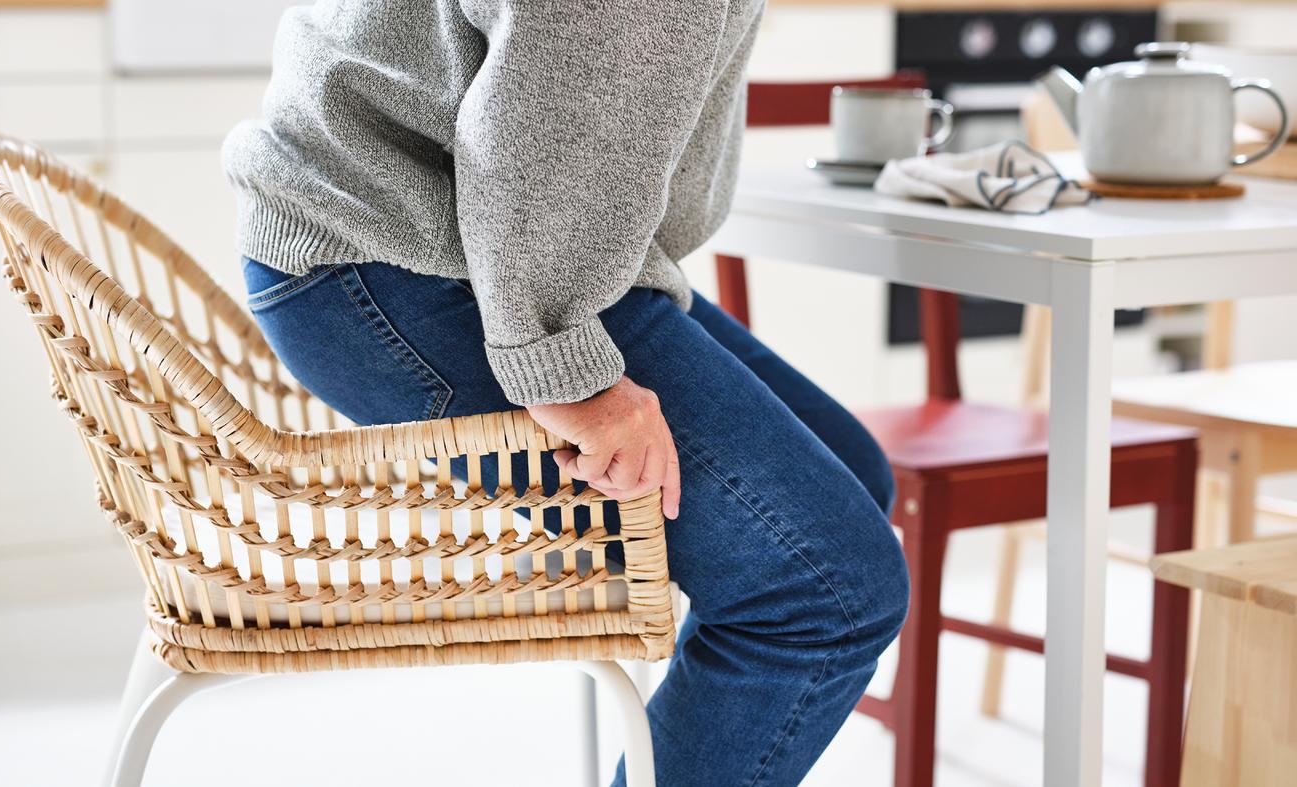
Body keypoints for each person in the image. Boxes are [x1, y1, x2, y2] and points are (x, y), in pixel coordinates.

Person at [223, 2, 909, 784]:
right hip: (401, 253)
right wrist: (568, 370)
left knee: (851, 481)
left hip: (459, 226)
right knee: (829, 591)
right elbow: (547, 113)